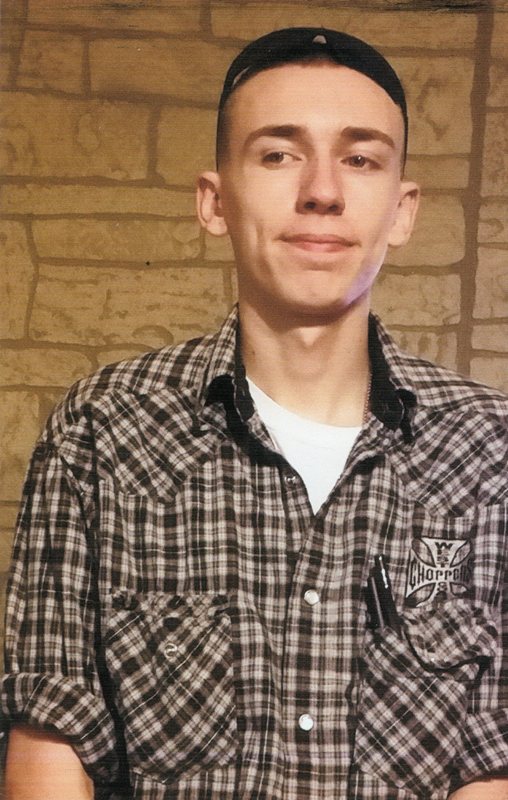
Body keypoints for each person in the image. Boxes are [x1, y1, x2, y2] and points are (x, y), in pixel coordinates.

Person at [1, 26, 507, 800]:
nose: (323, 190)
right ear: (215, 201)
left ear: (402, 211)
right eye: (278, 154)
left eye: (361, 158)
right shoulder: (104, 431)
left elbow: (493, 762)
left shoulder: (488, 450)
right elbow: (51, 746)